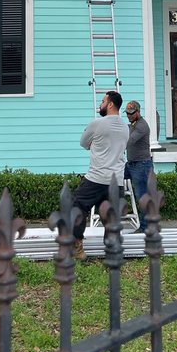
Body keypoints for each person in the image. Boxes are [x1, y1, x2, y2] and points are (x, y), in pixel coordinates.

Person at [71, 90, 128, 260]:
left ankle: (78, 249)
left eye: (103, 101)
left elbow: (83, 143)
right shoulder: (125, 128)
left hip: (96, 178)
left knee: (78, 207)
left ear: (110, 104)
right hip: (116, 181)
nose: (100, 104)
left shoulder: (97, 124)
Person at [124, 100, 153, 233]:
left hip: (141, 165)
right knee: (111, 177)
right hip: (131, 164)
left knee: (142, 196)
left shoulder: (142, 126)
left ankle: (145, 227)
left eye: (131, 113)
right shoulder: (132, 124)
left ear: (138, 112)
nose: (129, 116)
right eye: (127, 113)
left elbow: (129, 141)